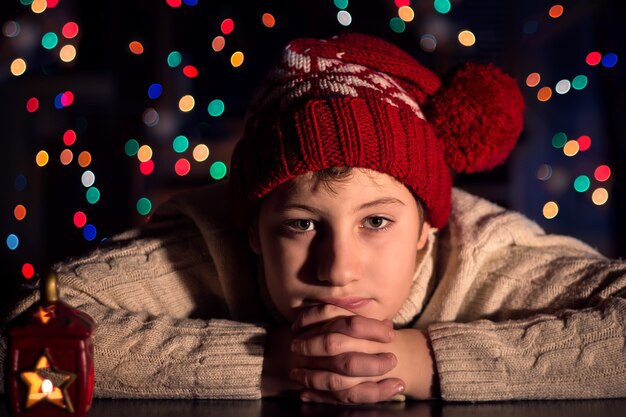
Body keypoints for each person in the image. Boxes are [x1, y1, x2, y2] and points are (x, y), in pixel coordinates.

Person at [1, 32, 625, 404]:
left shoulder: (493, 256)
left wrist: (424, 360)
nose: (337, 269)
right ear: (252, 227)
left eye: (377, 222)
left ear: (428, 228)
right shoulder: (204, 244)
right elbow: (26, 327)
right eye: (301, 224)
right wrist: (277, 362)